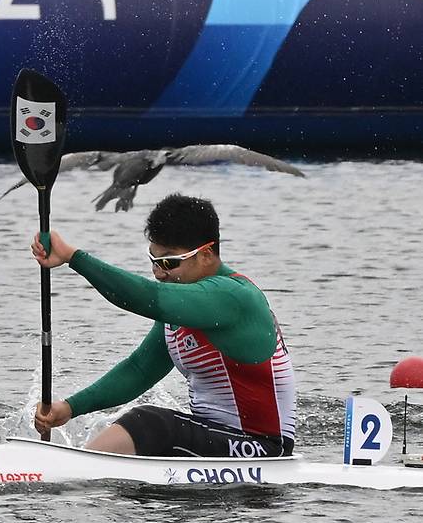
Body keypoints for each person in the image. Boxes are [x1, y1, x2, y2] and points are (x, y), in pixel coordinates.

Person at [31, 193, 296, 459]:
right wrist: (69, 408)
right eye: (154, 261)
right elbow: (139, 369)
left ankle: (72, 471)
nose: (158, 273)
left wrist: (73, 257)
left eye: (169, 262)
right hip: (219, 439)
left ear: (205, 255)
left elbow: (146, 298)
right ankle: (79, 468)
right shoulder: (182, 309)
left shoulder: (233, 297)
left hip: (264, 449)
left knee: (148, 422)